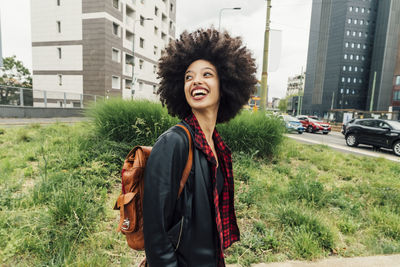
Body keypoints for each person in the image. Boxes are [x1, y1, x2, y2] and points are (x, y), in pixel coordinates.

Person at [142, 28, 257, 267]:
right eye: (188, 77)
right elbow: (156, 236)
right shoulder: (173, 143)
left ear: (224, 83)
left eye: (207, 74)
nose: (196, 81)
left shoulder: (216, 146)